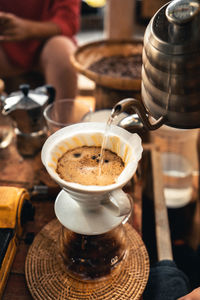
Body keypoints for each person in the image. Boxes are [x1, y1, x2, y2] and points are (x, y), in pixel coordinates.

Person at [0, 0, 81, 100]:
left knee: (63, 54)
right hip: (5, 46)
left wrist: (28, 29)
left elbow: (68, 20)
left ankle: (59, 114)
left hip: (46, 43)